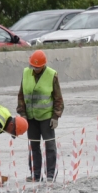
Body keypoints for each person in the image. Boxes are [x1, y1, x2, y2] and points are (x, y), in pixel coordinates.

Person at [17, 50, 64, 182]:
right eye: (33, 66)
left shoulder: (52, 75)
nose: (35, 68)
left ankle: (50, 174)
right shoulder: (26, 73)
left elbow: (58, 98)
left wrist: (56, 116)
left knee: (49, 146)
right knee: (34, 146)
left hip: (46, 117)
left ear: (43, 65)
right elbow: (21, 95)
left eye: (38, 67)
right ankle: (35, 174)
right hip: (30, 117)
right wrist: (23, 114)